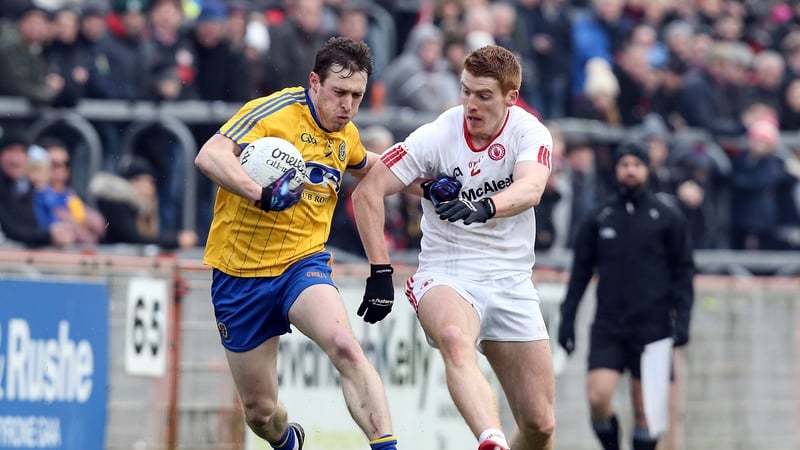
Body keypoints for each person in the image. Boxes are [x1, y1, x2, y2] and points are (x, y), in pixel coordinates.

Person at [193, 37, 399, 450]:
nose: (348, 105)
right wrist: (260, 192)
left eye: (357, 96)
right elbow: (209, 155)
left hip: (301, 266)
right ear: (314, 82)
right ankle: (288, 441)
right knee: (261, 413)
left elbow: (371, 167)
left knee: (344, 344)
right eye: (339, 93)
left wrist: (428, 186)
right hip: (239, 276)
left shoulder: (346, 135)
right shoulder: (272, 112)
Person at [351, 44, 556, 450]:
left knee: (540, 425)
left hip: (511, 279)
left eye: (483, 96)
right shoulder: (439, 133)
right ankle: (491, 439)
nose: (470, 105)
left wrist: (486, 206)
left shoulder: (529, 131)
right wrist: (380, 270)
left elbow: (532, 188)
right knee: (454, 338)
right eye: (465, 92)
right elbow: (368, 192)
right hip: (447, 272)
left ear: (510, 99)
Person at [557, 142, 695, 450]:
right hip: (609, 325)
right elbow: (580, 273)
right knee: (598, 397)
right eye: (624, 164)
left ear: (647, 169)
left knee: (646, 410)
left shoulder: (667, 217)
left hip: (654, 327)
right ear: (616, 170)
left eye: (636, 164)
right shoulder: (599, 217)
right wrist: (568, 320)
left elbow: (683, 273)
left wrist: (683, 320)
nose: (630, 170)